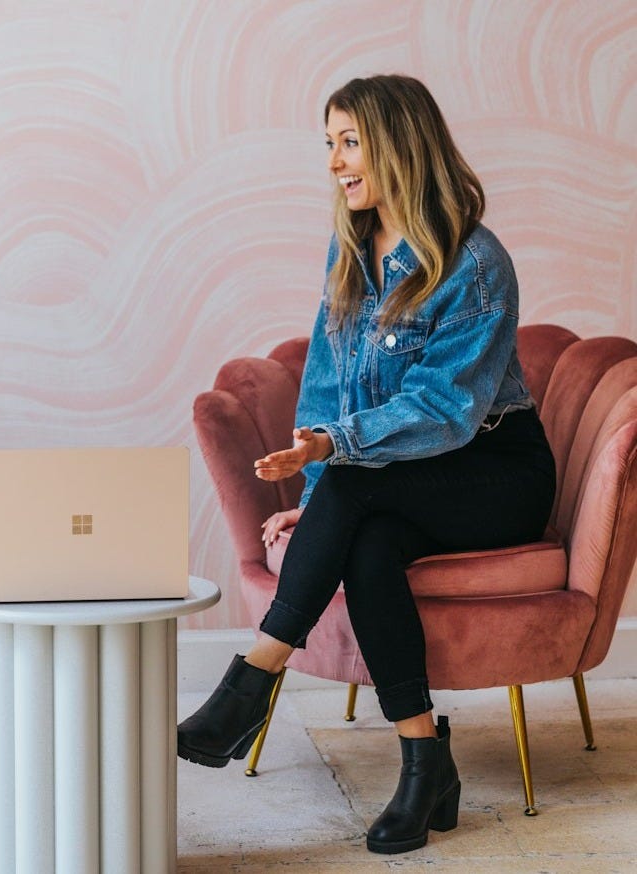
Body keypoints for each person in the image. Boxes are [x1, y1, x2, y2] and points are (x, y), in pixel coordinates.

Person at [177, 75, 555, 855]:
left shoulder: (473, 262)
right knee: (369, 545)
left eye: (348, 142)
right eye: (329, 144)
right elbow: (324, 385)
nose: (334, 162)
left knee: (352, 482)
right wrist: (320, 491)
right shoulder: (352, 249)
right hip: (396, 476)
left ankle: (251, 681)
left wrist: (331, 460)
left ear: (398, 145)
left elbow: (444, 411)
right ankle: (425, 767)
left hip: (495, 475)